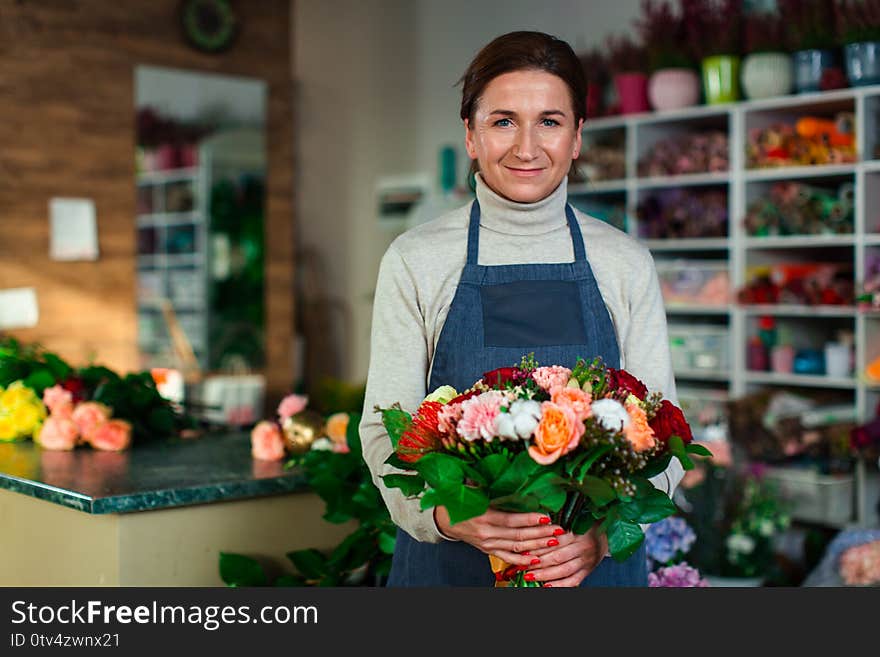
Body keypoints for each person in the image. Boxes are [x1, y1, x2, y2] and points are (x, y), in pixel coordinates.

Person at [359, 30, 683, 587]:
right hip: (450, 570)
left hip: (594, 575)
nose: (527, 147)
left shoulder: (624, 262)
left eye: (550, 122)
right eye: (503, 121)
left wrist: (602, 539)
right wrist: (448, 516)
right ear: (471, 135)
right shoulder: (416, 260)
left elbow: (665, 435)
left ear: (577, 137)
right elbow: (383, 428)